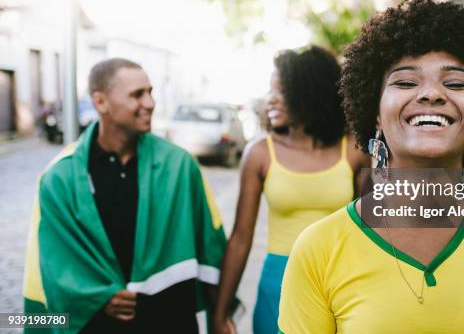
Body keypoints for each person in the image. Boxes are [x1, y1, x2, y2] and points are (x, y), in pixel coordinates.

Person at [278, 0, 464, 333]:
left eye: (455, 83)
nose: (431, 94)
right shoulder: (320, 248)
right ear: (375, 113)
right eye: (406, 82)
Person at [23, 58, 227, 333]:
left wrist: (220, 314)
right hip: (99, 326)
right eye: (137, 95)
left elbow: (211, 245)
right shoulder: (60, 177)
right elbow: (52, 261)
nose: (150, 103)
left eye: (150, 92)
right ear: (101, 102)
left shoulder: (180, 166)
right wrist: (99, 297)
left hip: (169, 321)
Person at [213, 46, 370, 334]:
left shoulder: (355, 150)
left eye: (280, 91)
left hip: (339, 282)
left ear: (309, 92)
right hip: (277, 282)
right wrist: (220, 314)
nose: (270, 100)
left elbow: (372, 228)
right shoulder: (259, 153)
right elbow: (240, 238)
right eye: (269, 91)